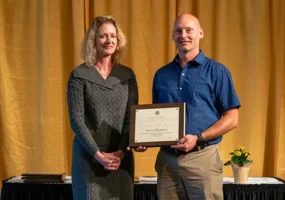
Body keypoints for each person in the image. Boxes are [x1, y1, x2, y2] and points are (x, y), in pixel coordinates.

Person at [152, 14, 241, 200]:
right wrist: (144, 140)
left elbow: (232, 118)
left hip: (203, 159)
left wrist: (199, 138)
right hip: (167, 161)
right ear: (173, 36)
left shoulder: (217, 71)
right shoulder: (161, 75)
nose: (183, 35)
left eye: (189, 30)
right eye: (178, 31)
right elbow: (155, 117)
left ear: (200, 33)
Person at [67, 16, 138, 200]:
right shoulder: (79, 75)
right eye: (103, 36)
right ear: (93, 40)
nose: (109, 41)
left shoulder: (127, 75)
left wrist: (120, 153)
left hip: (120, 161)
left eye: (113, 36)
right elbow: (77, 120)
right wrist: (98, 155)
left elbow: (131, 119)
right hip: (89, 160)